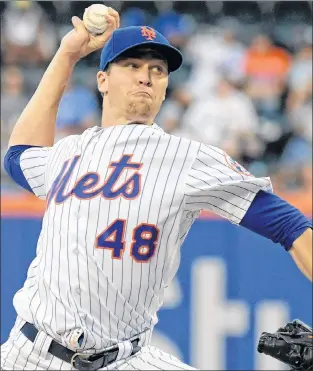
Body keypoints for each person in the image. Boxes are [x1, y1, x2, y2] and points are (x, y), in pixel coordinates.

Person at [1, 8, 312, 371]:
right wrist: (68, 54)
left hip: (125, 359)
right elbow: (19, 157)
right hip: (29, 353)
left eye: (157, 70)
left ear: (165, 87)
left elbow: (289, 224)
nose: (145, 77)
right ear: (102, 80)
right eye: (131, 66)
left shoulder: (188, 158)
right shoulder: (70, 151)